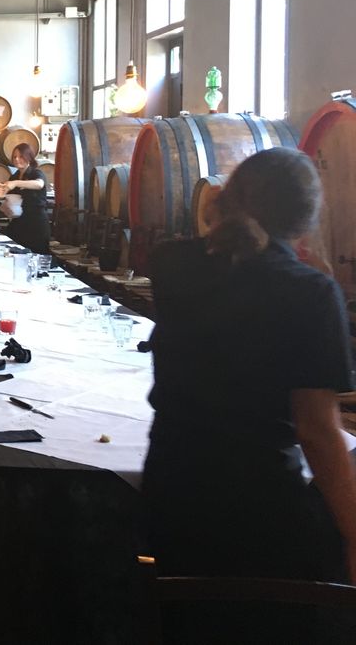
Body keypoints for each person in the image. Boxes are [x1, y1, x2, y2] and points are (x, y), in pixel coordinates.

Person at [143, 147, 356, 642]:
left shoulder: (169, 262)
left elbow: (218, 248)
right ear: (306, 219)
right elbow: (317, 432)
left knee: (185, 624)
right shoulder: (310, 291)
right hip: (256, 504)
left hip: (172, 485)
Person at [0, 142, 50, 254]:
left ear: (29, 157)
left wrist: (16, 183)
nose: (16, 159)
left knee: (35, 255)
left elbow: (39, 184)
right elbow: (8, 198)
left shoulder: (36, 173)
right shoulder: (14, 176)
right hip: (19, 221)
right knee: (13, 251)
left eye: (21, 156)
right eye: (14, 156)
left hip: (36, 223)